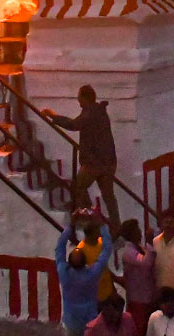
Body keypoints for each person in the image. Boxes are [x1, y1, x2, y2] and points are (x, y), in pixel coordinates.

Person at [43, 85, 120, 229]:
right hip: (109, 161)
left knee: (79, 186)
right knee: (108, 195)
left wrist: (53, 115)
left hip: (94, 162)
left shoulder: (90, 113)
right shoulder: (100, 111)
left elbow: (73, 124)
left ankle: (88, 217)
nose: (78, 101)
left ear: (85, 98)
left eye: (79, 98)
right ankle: (116, 226)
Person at [57, 217, 114, 336]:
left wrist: (71, 225)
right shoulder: (92, 274)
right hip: (91, 321)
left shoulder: (64, 273)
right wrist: (102, 225)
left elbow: (59, 249)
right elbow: (107, 249)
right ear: (85, 264)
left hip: (73, 322)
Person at [112, 219, 155, 336]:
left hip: (145, 295)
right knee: (138, 331)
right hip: (137, 298)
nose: (140, 233)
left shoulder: (138, 248)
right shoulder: (128, 251)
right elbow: (146, 263)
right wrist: (150, 243)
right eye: (137, 231)